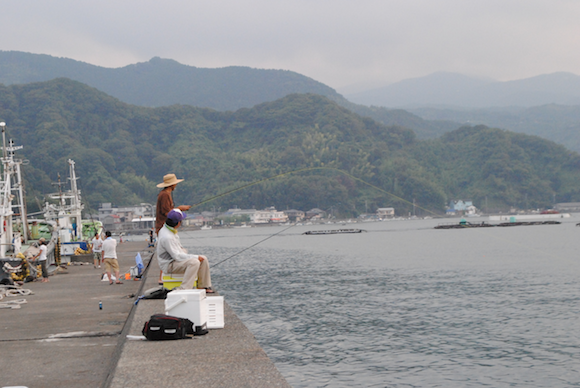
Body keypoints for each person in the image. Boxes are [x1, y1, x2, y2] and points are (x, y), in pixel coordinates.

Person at [157, 209, 214, 292]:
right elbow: (176, 256)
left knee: (203, 259)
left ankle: (203, 286)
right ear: (178, 223)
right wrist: (195, 257)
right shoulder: (167, 237)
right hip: (169, 264)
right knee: (194, 262)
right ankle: (184, 288)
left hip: (174, 260)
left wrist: (196, 257)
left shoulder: (168, 229)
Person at [156, 173, 191, 284]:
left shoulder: (165, 194)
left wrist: (179, 209)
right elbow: (168, 213)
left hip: (163, 226)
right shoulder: (165, 195)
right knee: (168, 253)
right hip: (163, 226)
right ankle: (162, 277)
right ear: (172, 184)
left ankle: (163, 276)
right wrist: (180, 209)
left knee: (168, 252)